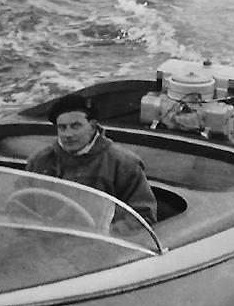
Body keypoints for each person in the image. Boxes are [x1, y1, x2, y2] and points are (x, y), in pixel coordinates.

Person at [26, 94, 157, 225]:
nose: (68, 134)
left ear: (92, 127)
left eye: (75, 126)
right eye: (62, 127)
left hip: (101, 242)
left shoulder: (124, 164)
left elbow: (143, 218)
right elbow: (20, 206)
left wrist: (106, 235)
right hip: (45, 239)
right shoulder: (39, 160)